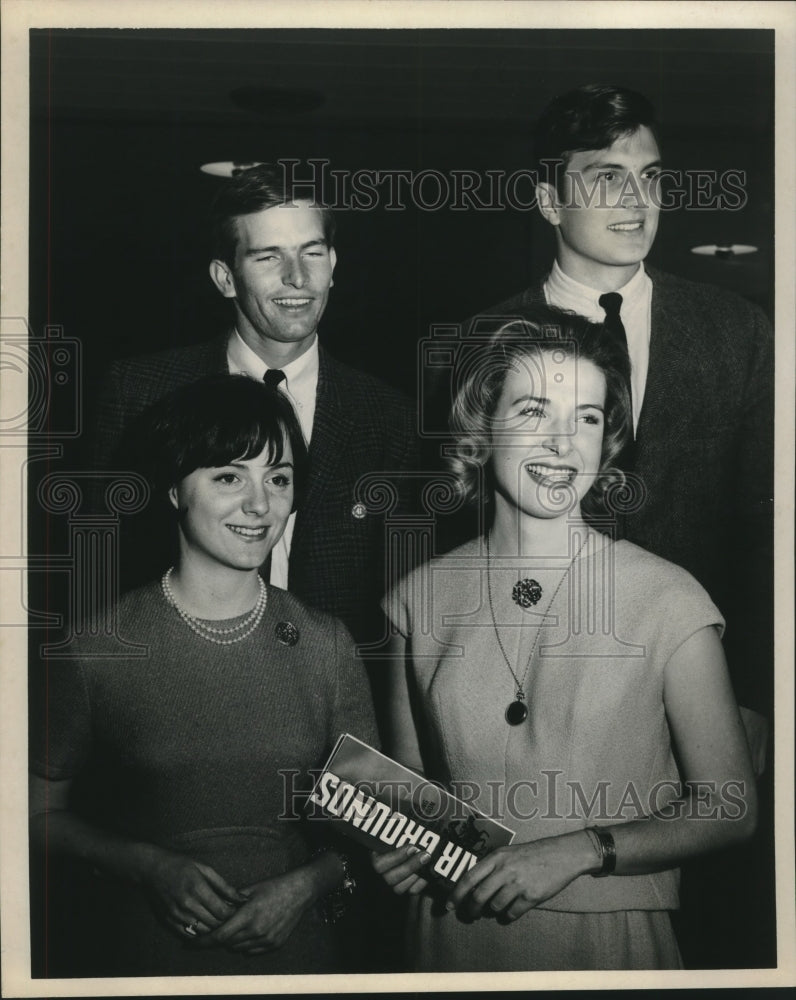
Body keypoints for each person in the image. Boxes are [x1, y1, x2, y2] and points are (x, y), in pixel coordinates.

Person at [453, 85, 774, 968]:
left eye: (651, 178)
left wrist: (751, 697)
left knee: (684, 935)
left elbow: (764, 532)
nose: (637, 202)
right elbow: (465, 540)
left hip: (702, 698)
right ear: (550, 199)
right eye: (607, 179)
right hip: (546, 702)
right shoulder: (483, 337)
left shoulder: (740, 333)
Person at [372, 309, 757, 972]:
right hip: (448, 938)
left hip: (608, 945)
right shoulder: (416, 597)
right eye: (533, 412)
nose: (562, 443)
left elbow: (730, 808)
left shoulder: (668, 598)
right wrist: (402, 845)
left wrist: (581, 848)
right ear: (481, 428)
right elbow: (416, 796)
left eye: (585, 417)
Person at [29, 374, 379, 976]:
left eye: (278, 479)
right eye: (228, 476)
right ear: (173, 488)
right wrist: (145, 864)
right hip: (144, 959)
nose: (260, 504)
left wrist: (305, 886)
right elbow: (34, 816)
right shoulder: (95, 648)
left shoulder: (327, 644)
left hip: (298, 957)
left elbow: (373, 822)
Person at [89, 163, 418, 649]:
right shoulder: (139, 393)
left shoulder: (390, 418)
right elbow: (98, 573)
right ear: (225, 277)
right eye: (268, 257)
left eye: (313, 253)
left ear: (334, 265)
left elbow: (400, 611)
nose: (297, 278)